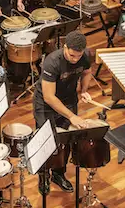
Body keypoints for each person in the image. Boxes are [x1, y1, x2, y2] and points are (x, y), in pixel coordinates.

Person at [32, 31, 94, 192]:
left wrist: (84, 91)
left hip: (69, 99)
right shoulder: (52, 62)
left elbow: (87, 72)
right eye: (72, 55)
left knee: (65, 140)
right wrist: (72, 116)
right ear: (65, 47)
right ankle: (43, 173)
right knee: (46, 139)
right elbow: (49, 97)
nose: (75, 59)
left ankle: (58, 173)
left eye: (78, 56)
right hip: (46, 103)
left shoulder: (86, 55)